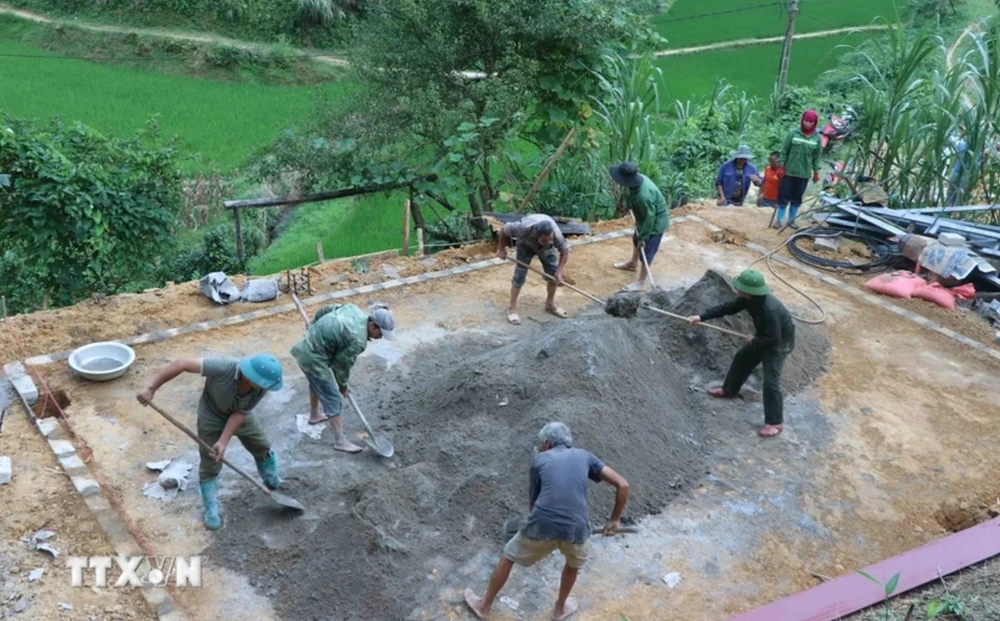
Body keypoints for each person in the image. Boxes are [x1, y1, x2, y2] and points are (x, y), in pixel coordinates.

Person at [464, 422, 630, 621]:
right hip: (577, 529)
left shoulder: (539, 460)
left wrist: (533, 533)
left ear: (547, 443)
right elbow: (623, 484)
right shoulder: (585, 456)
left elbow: (533, 506)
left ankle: (484, 606)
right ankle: (559, 610)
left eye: (541, 443)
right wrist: (614, 519)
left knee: (509, 556)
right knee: (573, 564)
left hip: (543, 523)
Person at [136, 354, 285, 530]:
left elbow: (241, 413)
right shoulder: (223, 367)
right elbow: (181, 362)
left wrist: (223, 441)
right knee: (211, 462)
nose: (263, 388)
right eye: (261, 384)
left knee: (262, 446)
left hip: (240, 417)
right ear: (251, 376)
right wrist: (151, 388)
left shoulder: (261, 387)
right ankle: (211, 508)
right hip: (211, 418)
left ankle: (271, 479)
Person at [686, 269, 795, 438]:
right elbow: (728, 308)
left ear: (749, 291)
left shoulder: (769, 309)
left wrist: (755, 341)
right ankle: (729, 389)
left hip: (779, 344)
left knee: (770, 382)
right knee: (742, 358)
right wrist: (701, 317)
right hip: (764, 337)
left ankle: (775, 422)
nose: (737, 288)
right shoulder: (748, 299)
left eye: (740, 287)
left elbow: (774, 339)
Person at [291, 303, 396, 453]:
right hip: (312, 356)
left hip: (308, 347)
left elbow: (326, 309)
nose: (381, 338)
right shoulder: (358, 341)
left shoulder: (353, 309)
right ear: (372, 325)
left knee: (317, 382)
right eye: (381, 333)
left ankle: (314, 415)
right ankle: (340, 441)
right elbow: (341, 365)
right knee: (332, 397)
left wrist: (315, 323)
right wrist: (343, 387)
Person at [495, 213, 570, 325]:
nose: (549, 241)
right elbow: (504, 230)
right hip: (525, 245)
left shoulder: (556, 235)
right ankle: (512, 308)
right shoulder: (523, 228)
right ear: (537, 235)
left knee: (553, 275)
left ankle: (550, 304)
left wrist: (559, 272)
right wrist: (501, 249)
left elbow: (564, 251)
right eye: (545, 240)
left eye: (550, 239)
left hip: (546, 251)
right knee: (519, 276)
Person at [609, 161, 670, 292]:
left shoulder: (644, 196)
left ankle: (640, 281)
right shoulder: (637, 182)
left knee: (647, 251)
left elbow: (650, 218)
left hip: (655, 222)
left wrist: (644, 237)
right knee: (636, 239)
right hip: (644, 218)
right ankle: (632, 263)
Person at [775, 110, 822, 229]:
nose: (807, 124)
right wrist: (781, 166)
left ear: (814, 123)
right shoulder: (793, 133)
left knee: (796, 197)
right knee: (783, 195)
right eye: (806, 120)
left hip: (804, 174)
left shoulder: (817, 138)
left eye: (811, 122)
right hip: (789, 171)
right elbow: (784, 151)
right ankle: (779, 220)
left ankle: (791, 221)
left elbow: (816, 157)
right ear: (802, 120)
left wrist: (816, 172)